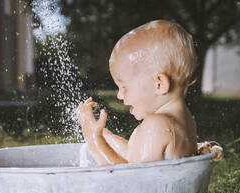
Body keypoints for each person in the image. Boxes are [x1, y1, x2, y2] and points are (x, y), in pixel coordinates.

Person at [76, 20, 198, 165]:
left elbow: (131, 178)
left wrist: (95, 139)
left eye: (123, 86)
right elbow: (133, 154)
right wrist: (102, 133)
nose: (119, 95)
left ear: (158, 84)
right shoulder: (182, 120)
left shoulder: (156, 126)